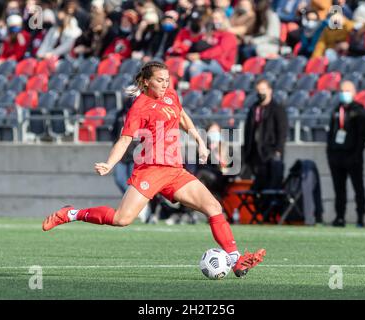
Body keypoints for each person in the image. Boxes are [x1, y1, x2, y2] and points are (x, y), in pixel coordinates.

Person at [42, 61, 266, 277]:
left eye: (167, 80)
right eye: (160, 80)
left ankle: (235, 259)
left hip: (175, 171)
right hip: (150, 170)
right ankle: (71, 213)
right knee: (122, 219)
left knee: (214, 207)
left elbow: (182, 116)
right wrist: (110, 164)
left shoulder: (170, 95)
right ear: (147, 82)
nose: (165, 84)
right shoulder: (139, 107)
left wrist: (199, 139)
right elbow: (124, 140)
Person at [327, 81, 365, 228]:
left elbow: (362, 136)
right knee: (339, 189)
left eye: (347, 90)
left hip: (353, 156)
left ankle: (360, 217)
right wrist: (330, 154)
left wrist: (357, 154)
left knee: (358, 188)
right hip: (337, 156)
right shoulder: (336, 110)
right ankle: (339, 217)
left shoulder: (359, 111)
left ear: (354, 92)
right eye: (342, 90)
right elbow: (331, 133)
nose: (344, 93)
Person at [243, 79, 288, 191]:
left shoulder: (277, 109)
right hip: (254, 154)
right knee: (257, 185)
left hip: (270, 152)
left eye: (263, 90)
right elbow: (248, 130)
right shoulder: (254, 108)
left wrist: (278, 150)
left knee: (271, 184)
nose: (260, 93)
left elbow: (282, 131)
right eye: (258, 90)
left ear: (270, 91)